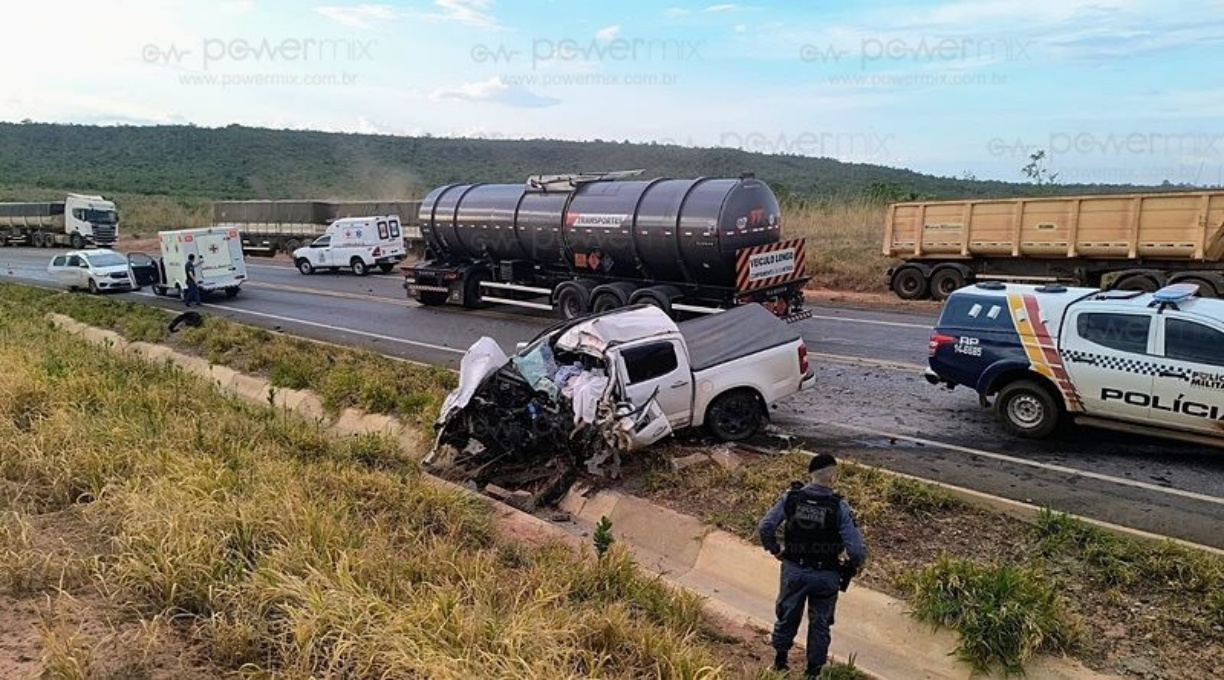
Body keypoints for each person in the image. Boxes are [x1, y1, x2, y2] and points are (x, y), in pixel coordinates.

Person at [758, 453, 866, 678]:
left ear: (811, 474)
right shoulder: (840, 506)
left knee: (787, 614)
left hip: (794, 569)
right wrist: (852, 566)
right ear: (833, 477)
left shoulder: (791, 498)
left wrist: (776, 550)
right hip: (826, 574)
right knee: (820, 623)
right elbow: (855, 549)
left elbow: (766, 526)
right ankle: (812, 672)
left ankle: (780, 662)